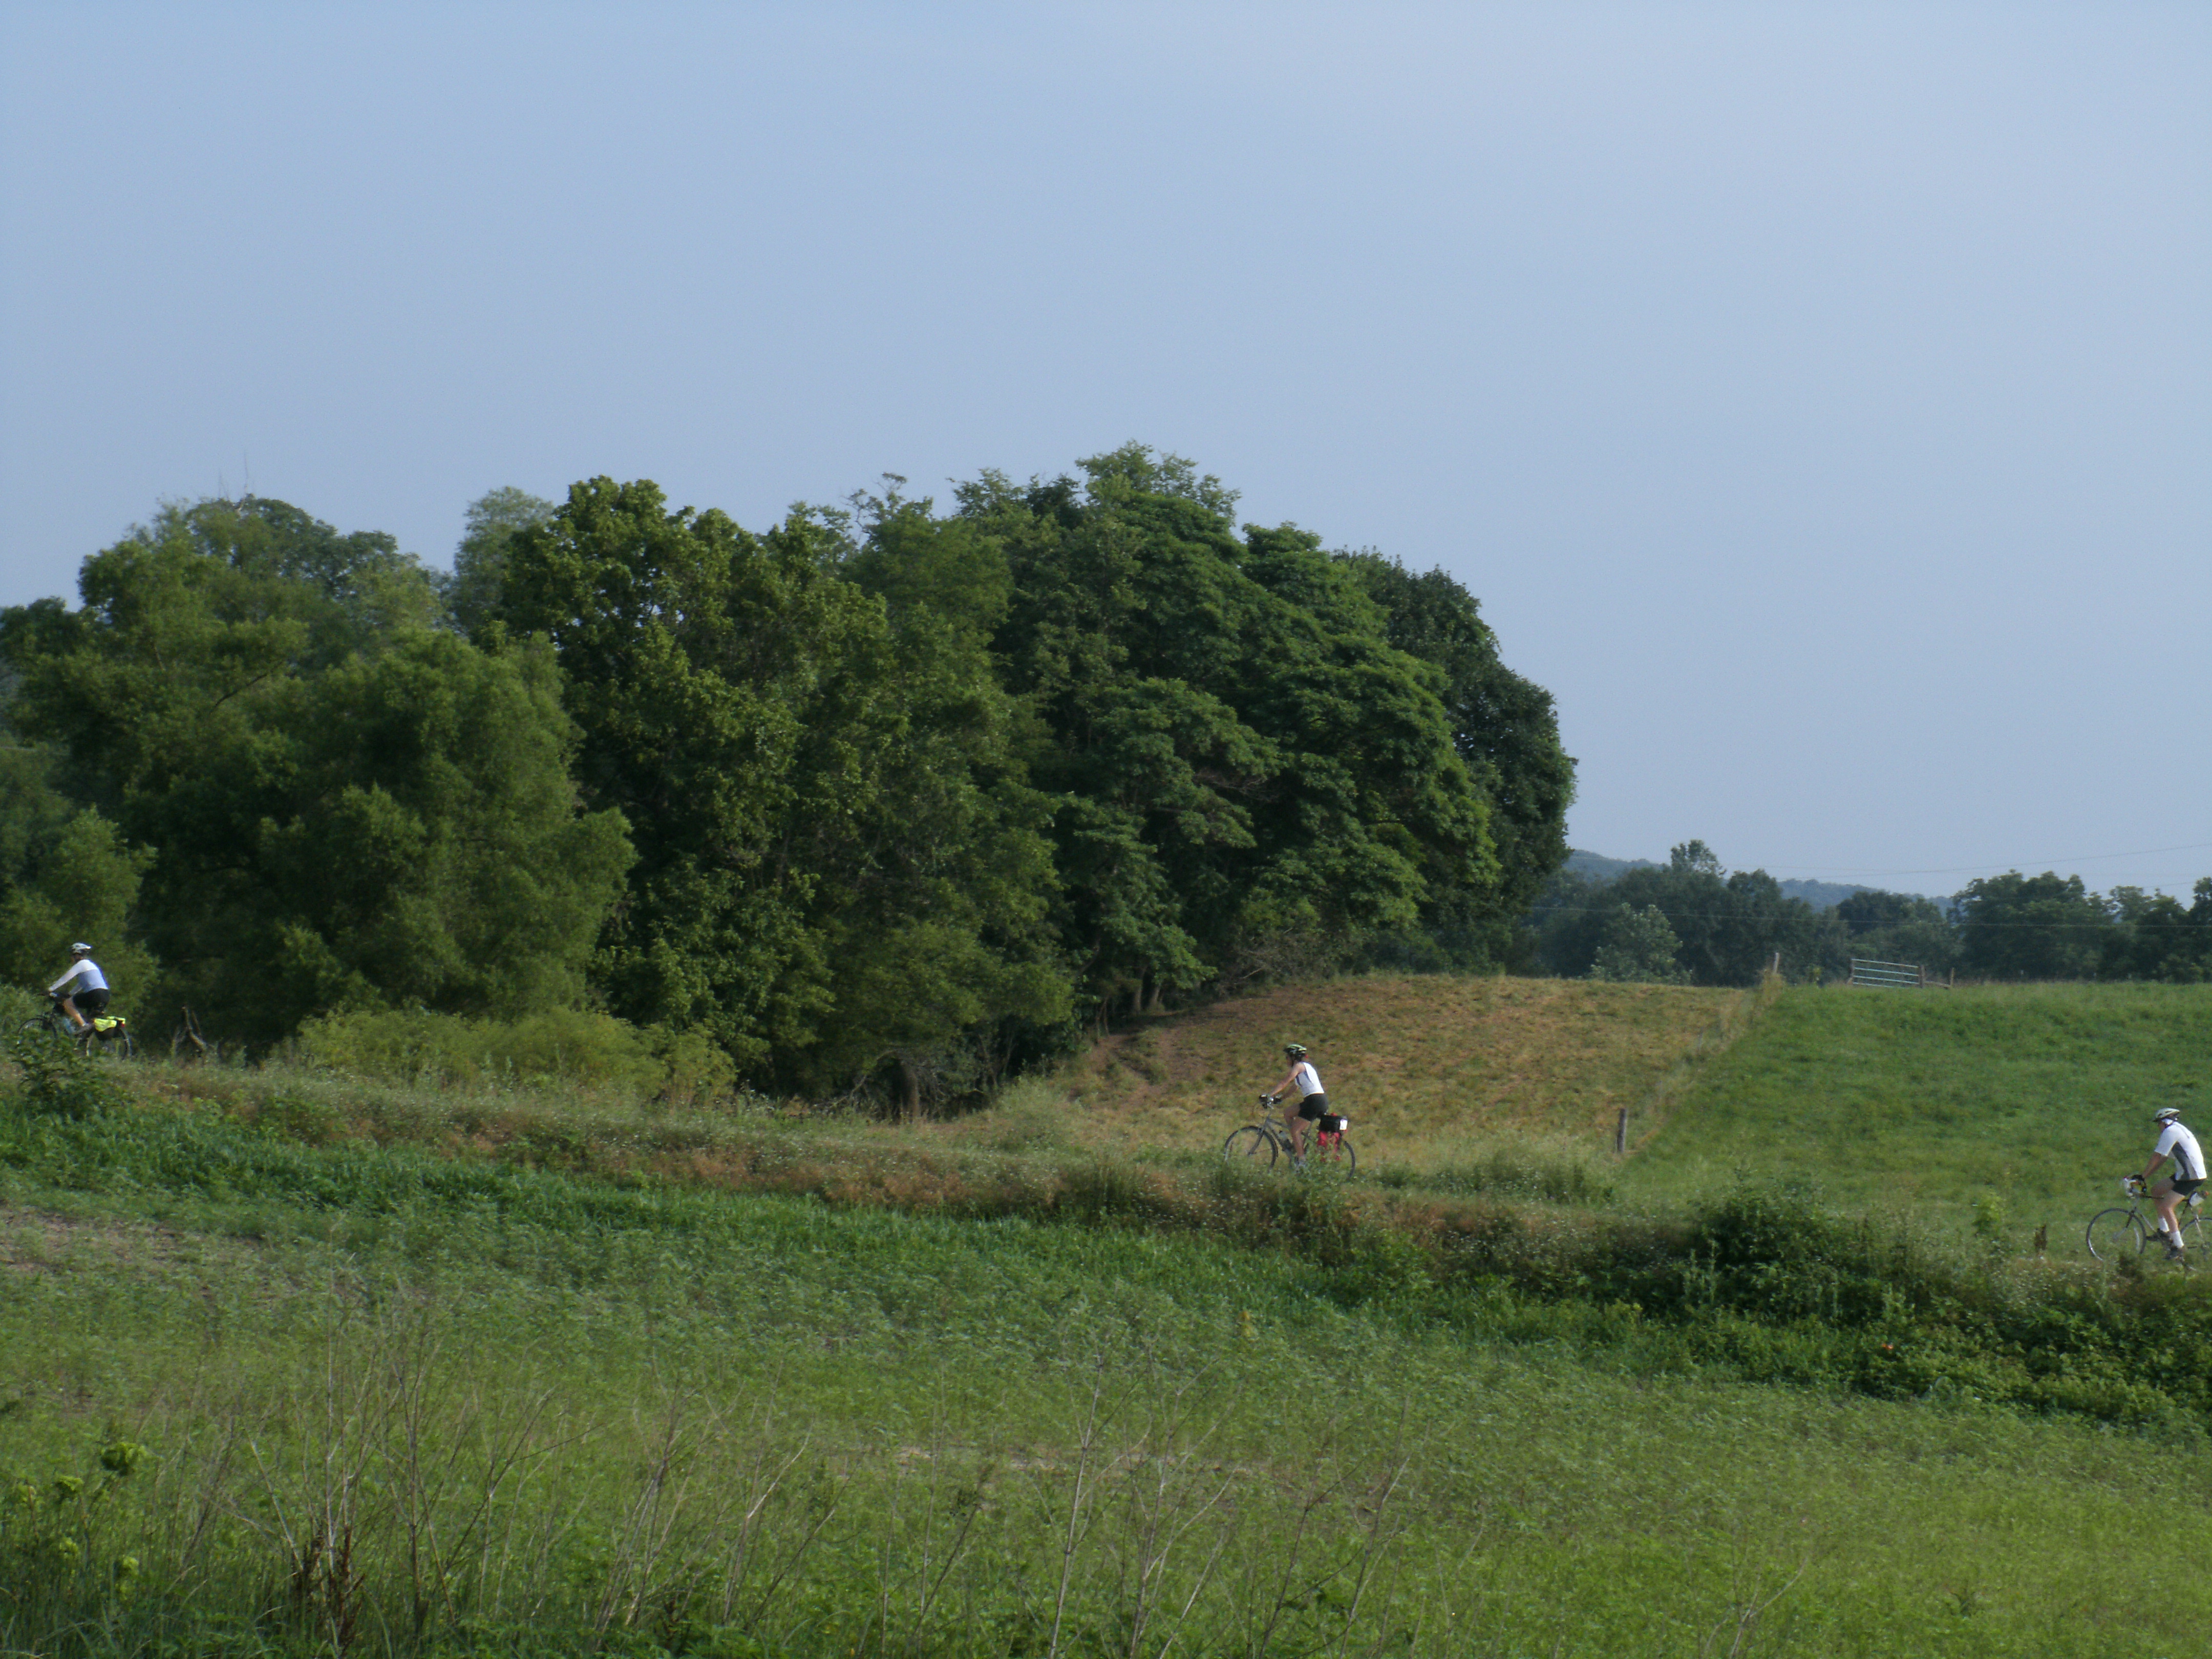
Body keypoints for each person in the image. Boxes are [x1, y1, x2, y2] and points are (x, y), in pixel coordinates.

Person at [2138, 1105, 2205, 1261]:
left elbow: (2156, 1156)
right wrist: (2145, 1177)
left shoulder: (2171, 1132)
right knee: (2156, 1191)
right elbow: (2161, 1160)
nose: (2158, 1127)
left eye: (2158, 1124)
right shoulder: (2177, 1130)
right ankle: (2164, 1232)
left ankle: (2179, 1247)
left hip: (2191, 1176)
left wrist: (2142, 1177)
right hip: (2185, 1174)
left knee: (2167, 1207)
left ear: (2165, 1122)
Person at [1262, 1043, 1331, 1163]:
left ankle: (1301, 1163)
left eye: (1287, 1057)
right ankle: (1296, 1145)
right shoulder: (1306, 1068)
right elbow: (1294, 1088)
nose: (1286, 1060)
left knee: (1295, 1130)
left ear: (1293, 1057)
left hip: (1314, 1101)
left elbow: (1285, 1082)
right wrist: (1281, 1098)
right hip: (1316, 1100)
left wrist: (1269, 1095)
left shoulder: (1299, 1067)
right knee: (1288, 1113)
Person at [47, 942, 109, 1034]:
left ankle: (83, 1025)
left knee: (67, 1004)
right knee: (90, 1023)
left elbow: (66, 978)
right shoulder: (92, 965)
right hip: (105, 995)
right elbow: (81, 984)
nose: (71, 958)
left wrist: (50, 989)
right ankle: (85, 1042)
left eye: (72, 955)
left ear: (77, 955)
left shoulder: (81, 965)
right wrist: (70, 994)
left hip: (94, 994)